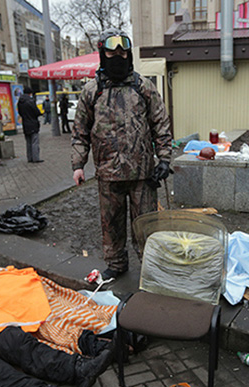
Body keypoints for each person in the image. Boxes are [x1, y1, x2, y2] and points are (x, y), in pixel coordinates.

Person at [71, 28, 173, 281]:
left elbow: (160, 123)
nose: (118, 56)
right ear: (102, 54)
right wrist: (78, 164)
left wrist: (164, 159)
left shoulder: (143, 87)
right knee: (111, 224)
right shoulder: (92, 91)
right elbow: (81, 130)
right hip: (108, 173)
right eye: (111, 52)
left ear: (129, 54)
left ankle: (151, 268)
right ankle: (116, 264)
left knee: (146, 225)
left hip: (142, 174)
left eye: (123, 52)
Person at [17, 87, 43, 163]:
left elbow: (20, 113)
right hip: (33, 123)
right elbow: (36, 112)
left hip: (25, 124)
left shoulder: (20, 102)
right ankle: (36, 158)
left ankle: (29, 158)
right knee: (34, 141)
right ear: (30, 93)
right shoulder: (31, 101)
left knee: (28, 142)